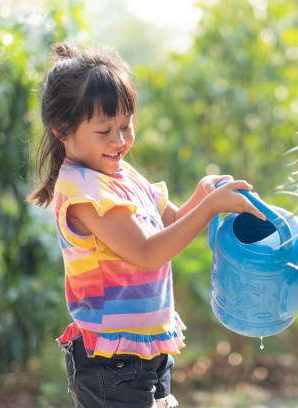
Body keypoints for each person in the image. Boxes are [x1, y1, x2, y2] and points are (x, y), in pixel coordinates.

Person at [27, 42, 266, 408]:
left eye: (126, 126)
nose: (119, 141)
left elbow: (166, 223)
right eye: (104, 130)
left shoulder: (121, 173)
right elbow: (148, 252)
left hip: (145, 350)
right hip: (109, 362)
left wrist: (202, 198)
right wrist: (209, 210)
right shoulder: (83, 192)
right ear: (62, 130)